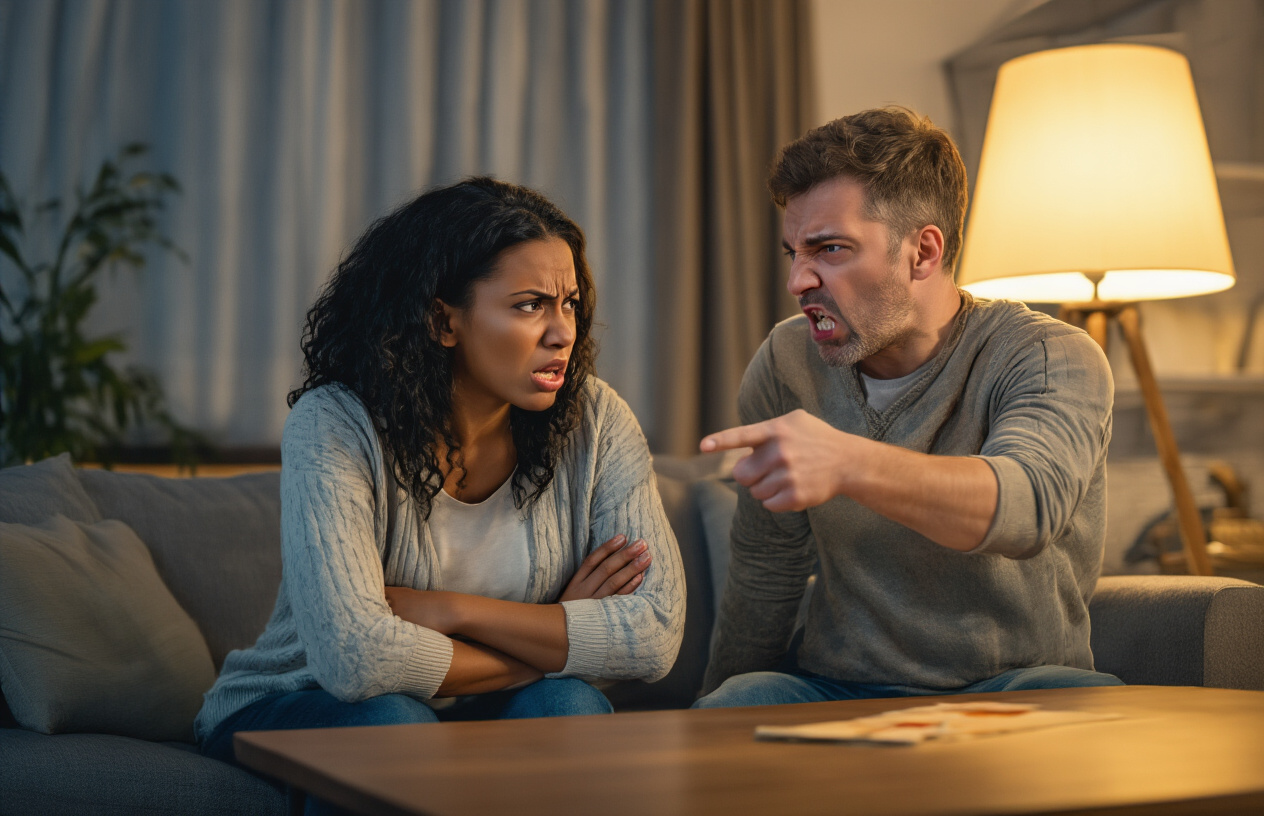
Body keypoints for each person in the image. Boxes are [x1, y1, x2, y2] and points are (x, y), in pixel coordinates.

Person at [195, 178, 685, 791]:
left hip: (473, 708)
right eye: (530, 305)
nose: (564, 331)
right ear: (442, 321)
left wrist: (453, 611)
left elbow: (652, 633)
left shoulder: (597, 419)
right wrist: (553, 633)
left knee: (571, 706)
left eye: (570, 303)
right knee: (394, 720)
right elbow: (357, 660)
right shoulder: (335, 424)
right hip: (303, 700)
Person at [694, 107, 1122, 708]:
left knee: (1090, 704)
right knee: (734, 704)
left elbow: (1027, 507)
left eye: (830, 249)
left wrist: (846, 462)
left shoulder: (1049, 355)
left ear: (922, 252)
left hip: (1016, 682)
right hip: (835, 687)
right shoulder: (787, 361)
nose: (798, 281)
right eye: (793, 253)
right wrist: (709, 720)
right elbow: (768, 566)